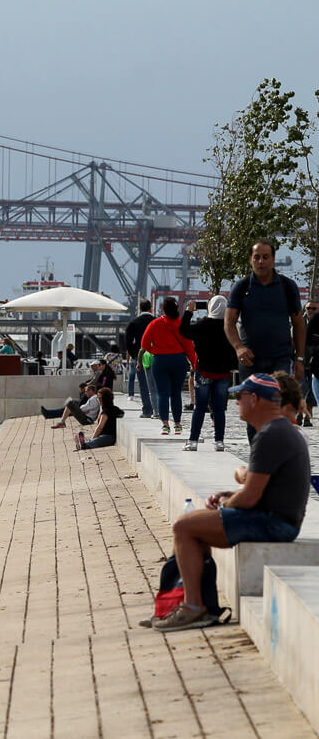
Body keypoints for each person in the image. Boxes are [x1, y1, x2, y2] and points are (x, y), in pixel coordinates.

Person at [153, 373, 310, 632]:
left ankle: (193, 608)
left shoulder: (271, 434)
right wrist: (228, 496)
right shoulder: (277, 429)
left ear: (255, 399)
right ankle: (199, 605)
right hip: (279, 519)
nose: (235, 401)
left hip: (275, 524)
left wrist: (227, 505)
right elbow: (257, 489)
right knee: (196, 528)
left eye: (240, 396)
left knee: (184, 527)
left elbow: (249, 498)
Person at [225, 240, 306, 383]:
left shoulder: (288, 286)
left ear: (273, 260)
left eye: (265, 257)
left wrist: (299, 359)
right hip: (249, 359)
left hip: (281, 359)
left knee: (277, 403)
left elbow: (299, 323)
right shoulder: (241, 287)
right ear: (250, 260)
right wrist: (238, 348)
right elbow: (229, 322)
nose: (261, 261)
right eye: (256, 257)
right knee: (250, 404)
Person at [179, 296, 237, 452]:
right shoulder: (229, 327)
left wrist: (189, 312)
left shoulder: (202, 325)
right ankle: (219, 441)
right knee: (219, 409)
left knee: (199, 407)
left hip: (204, 372)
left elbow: (183, 330)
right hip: (223, 374)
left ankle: (193, 441)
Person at [141, 297, 196, 436]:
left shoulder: (154, 324)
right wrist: (194, 363)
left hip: (160, 360)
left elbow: (144, 344)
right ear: (177, 309)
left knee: (162, 393)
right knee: (176, 393)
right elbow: (189, 347)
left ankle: (165, 425)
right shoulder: (181, 324)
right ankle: (177, 424)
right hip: (178, 360)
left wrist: (155, 351)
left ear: (163, 309)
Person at [126, 299, 156, 418]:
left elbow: (128, 341)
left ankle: (147, 410)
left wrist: (134, 354)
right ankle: (158, 409)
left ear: (140, 308)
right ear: (151, 308)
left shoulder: (133, 322)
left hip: (140, 357)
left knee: (143, 385)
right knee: (156, 385)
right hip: (155, 356)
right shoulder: (156, 321)